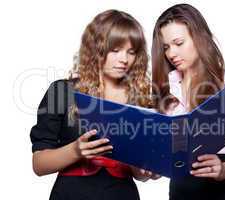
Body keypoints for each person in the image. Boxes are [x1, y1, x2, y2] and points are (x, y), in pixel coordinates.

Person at [30, 9, 157, 200]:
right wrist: (75, 151)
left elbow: (139, 173)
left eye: (131, 52)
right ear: (96, 48)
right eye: (115, 50)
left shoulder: (140, 99)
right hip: (71, 194)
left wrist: (146, 170)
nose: (124, 59)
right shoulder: (62, 91)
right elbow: (39, 165)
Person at [152, 4, 225, 200]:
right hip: (183, 193)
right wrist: (151, 167)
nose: (171, 53)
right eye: (166, 47)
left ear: (199, 38)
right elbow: (160, 155)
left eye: (179, 43)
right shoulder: (165, 92)